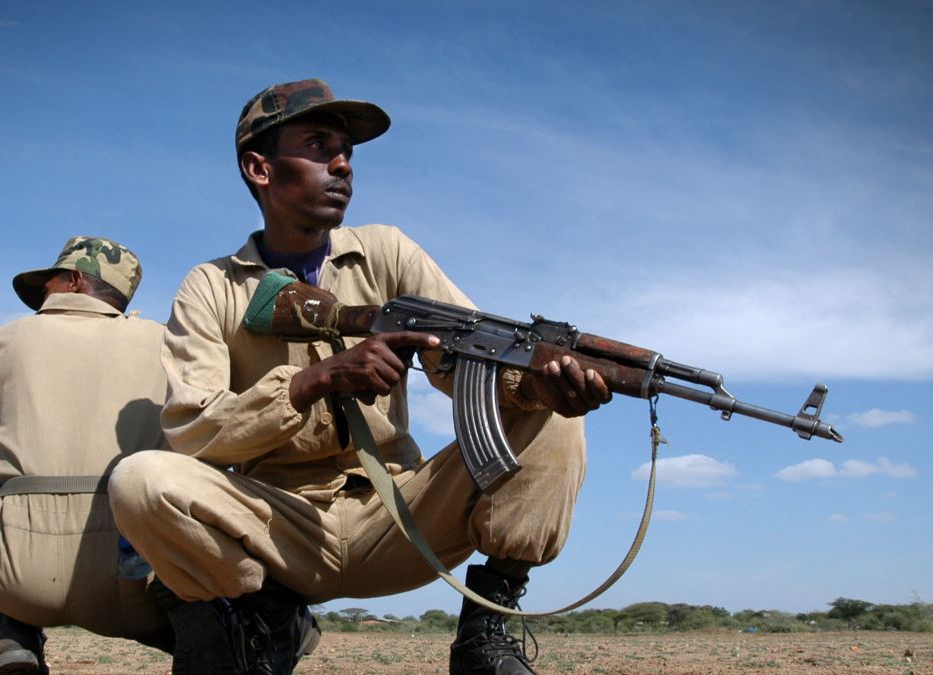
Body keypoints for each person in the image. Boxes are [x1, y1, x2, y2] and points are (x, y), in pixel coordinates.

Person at [109, 79, 610, 675]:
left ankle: (487, 627)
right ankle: (262, 621)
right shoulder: (211, 286)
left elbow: (470, 359)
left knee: (551, 412)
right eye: (318, 146)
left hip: (398, 515)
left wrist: (533, 386)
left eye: (346, 151)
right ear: (260, 168)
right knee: (140, 480)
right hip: (277, 532)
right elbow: (193, 430)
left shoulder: (387, 251)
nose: (343, 164)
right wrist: (312, 382)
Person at [0, 236, 173, 674]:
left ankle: (15, 637)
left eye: (49, 285)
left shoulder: (2, 341)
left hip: (17, 574)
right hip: (135, 578)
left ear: (76, 280)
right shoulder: (167, 344)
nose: (42, 298)